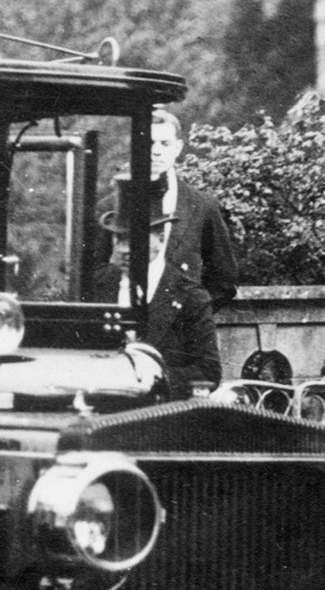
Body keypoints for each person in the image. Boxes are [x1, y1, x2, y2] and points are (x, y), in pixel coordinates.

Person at [90, 203, 220, 395]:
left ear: (160, 239)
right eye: (119, 238)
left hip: (159, 413)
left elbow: (208, 372)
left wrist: (154, 378)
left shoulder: (190, 296)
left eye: (135, 239)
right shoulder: (94, 285)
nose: (124, 249)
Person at [147, 107, 240, 310]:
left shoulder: (203, 206)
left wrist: (193, 317)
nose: (156, 151)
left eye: (165, 143)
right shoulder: (111, 206)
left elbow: (224, 279)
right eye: (149, 143)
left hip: (182, 335)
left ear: (178, 148)